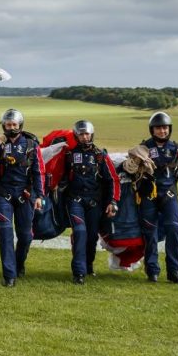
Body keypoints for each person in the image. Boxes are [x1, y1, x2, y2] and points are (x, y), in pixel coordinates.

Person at [136, 112, 178, 284]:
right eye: (158, 128)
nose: (162, 131)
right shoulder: (143, 148)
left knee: (174, 229)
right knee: (150, 233)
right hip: (148, 195)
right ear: (152, 130)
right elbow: (132, 173)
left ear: (169, 129)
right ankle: (152, 270)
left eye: (165, 128)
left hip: (169, 194)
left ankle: (174, 271)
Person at [0, 108, 44, 287]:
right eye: (8, 124)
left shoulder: (31, 145)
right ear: (3, 125)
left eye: (14, 124)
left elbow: (38, 172)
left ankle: (19, 265)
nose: (11, 127)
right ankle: (9, 275)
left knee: (26, 236)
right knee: (5, 234)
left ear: (20, 125)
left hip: (25, 195)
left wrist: (39, 195)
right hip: (2, 195)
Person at [61, 120, 120, 284]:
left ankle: (88, 265)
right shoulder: (69, 155)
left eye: (87, 134)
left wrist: (113, 201)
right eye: (81, 134)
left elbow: (112, 180)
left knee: (92, 235)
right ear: (76, 136)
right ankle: (78, 273)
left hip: (95, 202)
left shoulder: (101, 156)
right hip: (75, 200)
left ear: (92, 135)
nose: (85, 137)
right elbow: (60, 177)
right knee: (80, 232)